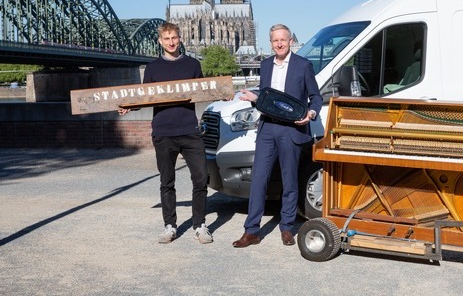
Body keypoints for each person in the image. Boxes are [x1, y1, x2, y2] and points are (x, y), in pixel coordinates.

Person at [119, 22, 213, 244]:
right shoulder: (152, 68)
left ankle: (199, 225)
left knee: (200, 179)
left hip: (190, 130)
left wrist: (224, 93)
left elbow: (204, 91)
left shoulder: (193, 64)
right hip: (163, 132)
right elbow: (145, 98)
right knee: (167, 181)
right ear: (160, 41)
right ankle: (170, 225)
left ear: (180, 39)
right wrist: (128, 106)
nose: (171, 42)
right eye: (167, 39)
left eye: (174, 38)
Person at [232, 24, 322, 248]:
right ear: (271, 42)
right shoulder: (264, 65)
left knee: (289, 181)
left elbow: (316, 97)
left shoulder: (303, 65)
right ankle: (251, 231)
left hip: (291, 130)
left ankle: (287, 228)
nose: (279, 44)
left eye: (283, 40)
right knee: (258, 180)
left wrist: (310, 113)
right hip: (267, 129)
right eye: (275, 41)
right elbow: (268, 99)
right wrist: (254, 97)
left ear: (290, 40)